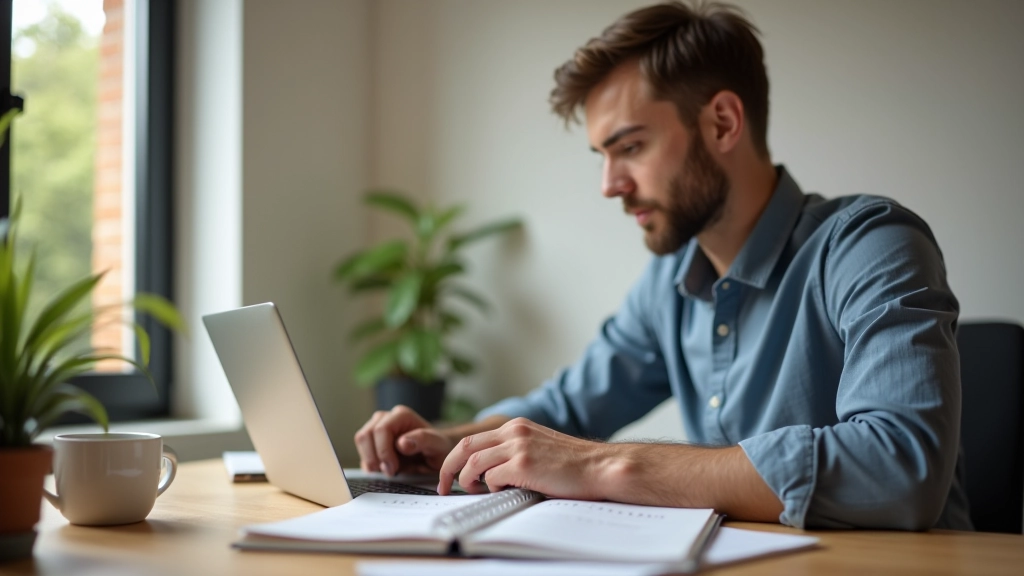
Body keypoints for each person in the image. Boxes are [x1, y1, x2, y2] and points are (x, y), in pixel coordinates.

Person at [354, 0, 972, 531]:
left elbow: (901, 467)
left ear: (723, 122)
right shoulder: (670, 281)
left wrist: (603, 464)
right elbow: (566, 410)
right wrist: (451, 441)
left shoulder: (870, 244)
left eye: (630, 147)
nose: (609, 185)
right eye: (602, 154)